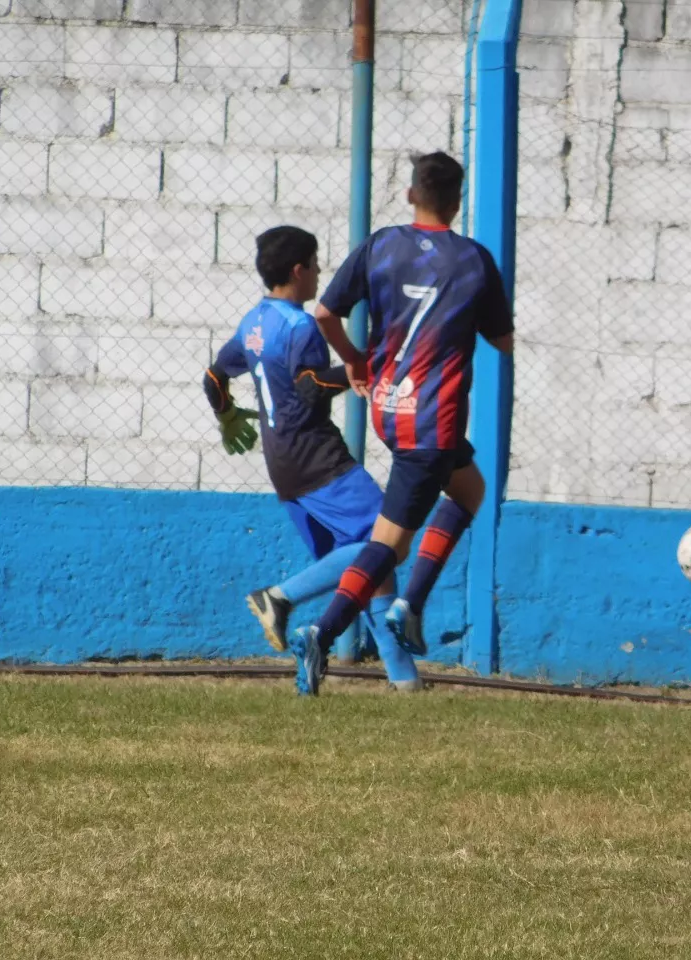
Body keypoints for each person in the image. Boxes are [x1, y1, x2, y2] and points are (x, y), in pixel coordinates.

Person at [288, 151, 514, 696]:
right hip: (431, 420)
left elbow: (323, 314)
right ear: (458, 201)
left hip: (391, 406)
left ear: (412, 194)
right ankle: (323, 629)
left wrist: (358, 361)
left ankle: (408, 606)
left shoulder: (382, 244)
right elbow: (502, 341)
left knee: (469, 488)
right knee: (390, 543)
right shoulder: (474, 261)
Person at [203, 225, 420, 692]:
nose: (322, 272)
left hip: (283, 469)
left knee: (361, 573)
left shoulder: (253, 322)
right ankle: (280, 598)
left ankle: (403, 683)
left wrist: (227, 418)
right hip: (320, 462)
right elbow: (309, 386)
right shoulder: (300, 326)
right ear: (299, 271)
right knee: (384, 545)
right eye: (317, 264)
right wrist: (355, 371)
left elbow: (214, 379)